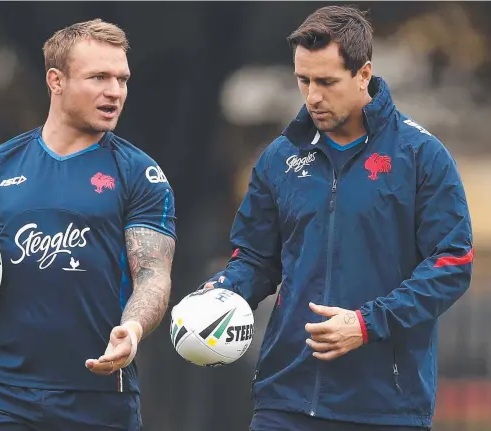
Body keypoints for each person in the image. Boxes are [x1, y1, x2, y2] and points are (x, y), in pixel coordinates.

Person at [201, 5, 473, 431]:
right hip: (284, 398)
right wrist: (219, 295)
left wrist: (367, 323)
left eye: (326, 82)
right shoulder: (279, 158)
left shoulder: (421, 156)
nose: (312, 96)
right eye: (303, 80)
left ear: (364, 75)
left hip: (385, 407)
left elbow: (452, 264)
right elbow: (255, 258)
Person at [0, 19, 176, 431]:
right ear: (56, 80)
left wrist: (132, 330)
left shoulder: (140, 174)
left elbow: (153, 276)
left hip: (99, 397)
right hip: (4, 393)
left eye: (122, 79)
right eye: (99, 77)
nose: (115, 91)